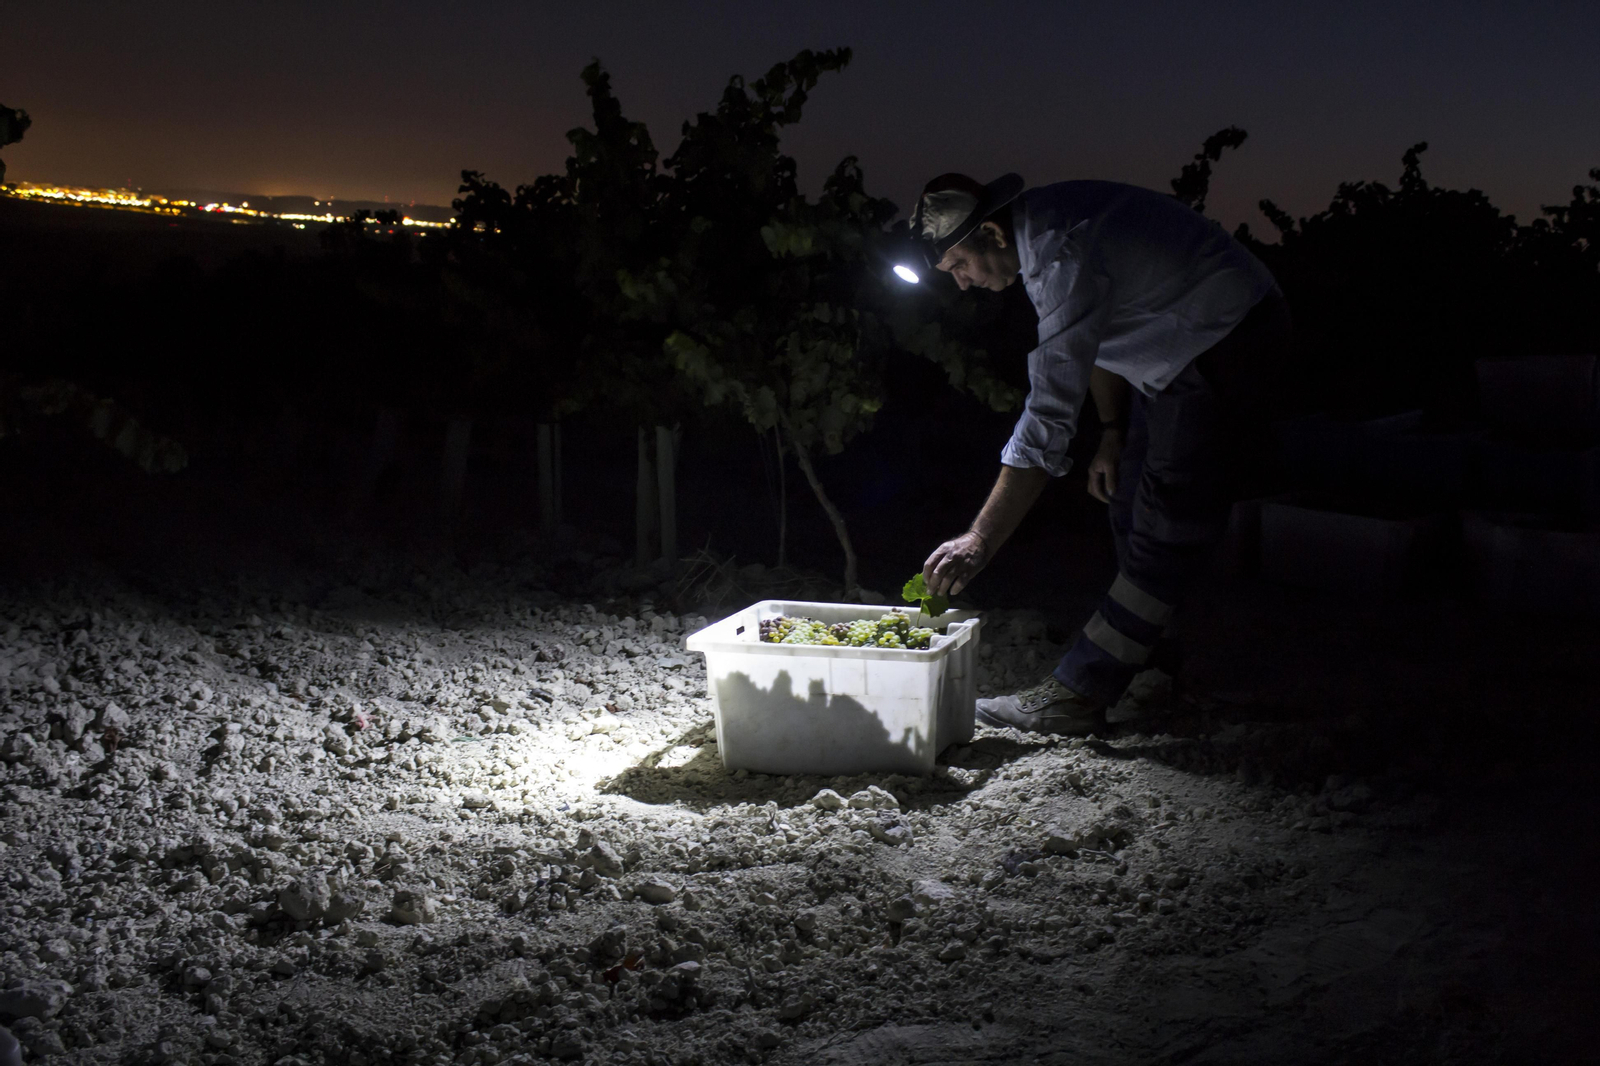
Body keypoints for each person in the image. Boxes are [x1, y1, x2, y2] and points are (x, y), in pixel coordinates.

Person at [917, 173, 1291, 735]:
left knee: (1166, 527)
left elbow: (1048, 421)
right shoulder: (1041, 232)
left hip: (1226, 340)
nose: (964, 284)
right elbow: (1096, 339)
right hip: (1175, 357)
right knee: (1127, 499)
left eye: (959, 265)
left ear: (991, 233)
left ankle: (1080, 691)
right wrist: (1113, 430)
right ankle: (1153, 669)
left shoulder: (1057, 251)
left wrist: (979, 540)